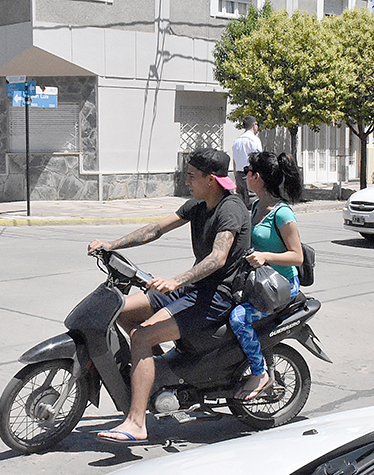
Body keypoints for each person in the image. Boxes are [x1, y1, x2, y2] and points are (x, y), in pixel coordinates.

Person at [89, 148, 250, 444]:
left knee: (141, 336)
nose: (186, 180)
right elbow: (155, 229)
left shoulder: (230, 209)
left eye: (191, 175)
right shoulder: (199, 205)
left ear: (211, 180)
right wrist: (111, 245)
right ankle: (161, 372)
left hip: (216, 297)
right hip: (193, 289)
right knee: (122, 310)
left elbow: (217, 258)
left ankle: (137, 423)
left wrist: (176, 280)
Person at [230, 151, 304, 400]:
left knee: (239, 319)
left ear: (257, 177)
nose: (244, 176)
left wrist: (266, 257)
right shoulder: (255, 206)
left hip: (281, 285)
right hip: (260, 283)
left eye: (247, 172)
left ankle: (260, 374)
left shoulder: (282, 213)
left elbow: (297, 256)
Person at [232, 116, 262, 208]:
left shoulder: (237, 141)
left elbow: (234, 161)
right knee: (253, 203)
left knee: (242, 204)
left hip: (239, 174)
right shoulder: (254, 140)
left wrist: (236, 178)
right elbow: (259, 159)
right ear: (254, 125)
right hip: (251, 174)